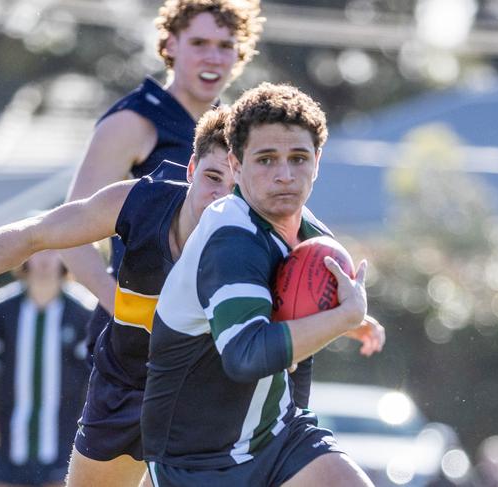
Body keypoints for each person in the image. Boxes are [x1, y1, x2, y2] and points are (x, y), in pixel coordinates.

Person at [0, 107, 237, 487]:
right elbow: (37, 233)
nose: (223, 197)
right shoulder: (138, 202)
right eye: (213, 177)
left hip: (205, 398)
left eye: (238, 186)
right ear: (191, 169)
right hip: (125, 387)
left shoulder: (272, 235)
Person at [141, 83, 384, 487]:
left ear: (318, 162)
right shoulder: (230, 239)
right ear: (236, 165)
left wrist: (346, 319)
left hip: (278, 436)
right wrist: (343, 318)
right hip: (198, 456)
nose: (285, 175)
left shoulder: (312, 237)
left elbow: (299, 308)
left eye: (299, 158)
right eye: (266, 159)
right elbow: (246, 355)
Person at [60, 0, 264, 360]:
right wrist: (132, 314)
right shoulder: (133, 121)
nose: (213, 57)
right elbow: (69, 239)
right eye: (199, 43)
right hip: (134, 355)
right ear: (170, 44)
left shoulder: (236, 131)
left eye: (226, 45)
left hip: (207, 345)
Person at [0, 250, 93, 487]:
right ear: (24, 255)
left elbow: (95, 380)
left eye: (52, 250)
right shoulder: (1, 307)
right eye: (36, 250)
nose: (44, 258)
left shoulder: (84, 311)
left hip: (65, 444)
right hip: (11, 445)